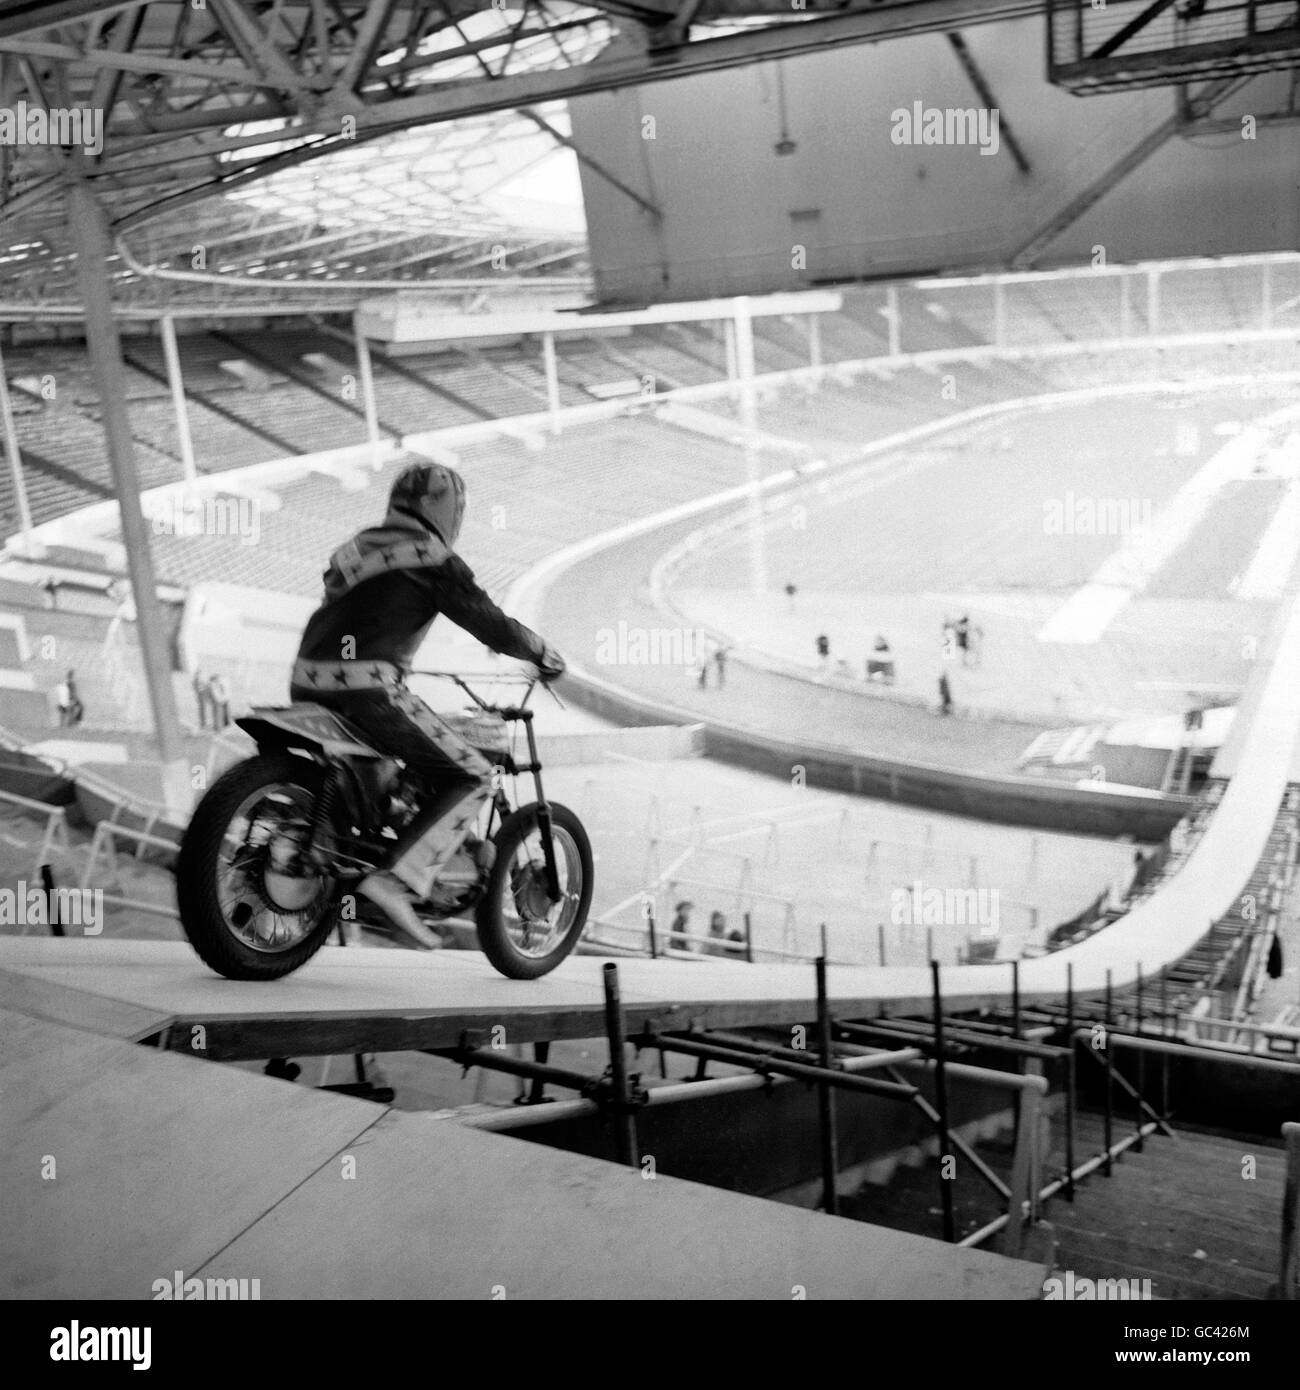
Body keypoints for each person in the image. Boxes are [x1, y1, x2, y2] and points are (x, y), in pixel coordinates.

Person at [290, 461, 565, 949]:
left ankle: (364, 845)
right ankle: (395, 881)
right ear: (448, 511)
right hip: (371, 692)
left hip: (307, 681)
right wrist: (541, 653)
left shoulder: (355, 547)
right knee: (474, 773)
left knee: (386, 773)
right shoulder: (433, 556)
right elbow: (491, 625)